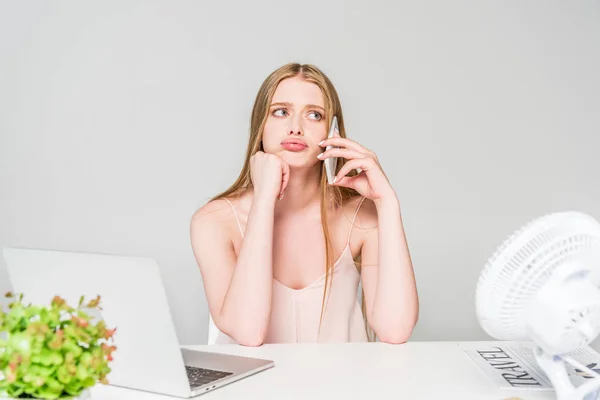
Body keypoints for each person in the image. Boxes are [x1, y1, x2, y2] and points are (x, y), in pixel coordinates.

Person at [190, 63, 418, 346]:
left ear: (332, 131)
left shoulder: (361, 217)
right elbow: (247, 332)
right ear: (260, 125)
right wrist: (264, 198)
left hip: (343, 389)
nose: (296, 128)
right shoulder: (214, 221)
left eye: (314, 115)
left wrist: (388, 203)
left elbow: (395, 330)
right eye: (281, 112)